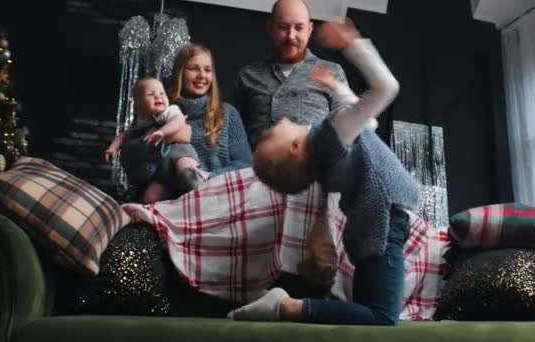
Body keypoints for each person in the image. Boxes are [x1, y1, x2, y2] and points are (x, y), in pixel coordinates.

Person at [228, 20, 419, 325]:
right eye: (266, 139)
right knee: (381, 317)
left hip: (375, 226)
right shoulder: (329, 137)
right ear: (293, 147)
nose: (267, 129)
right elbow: (387, 88)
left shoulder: (327, 147)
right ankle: (287, 307)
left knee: (373, 308)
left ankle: (288, 305)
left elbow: (365, 123)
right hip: (385, 223)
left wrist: (336, 87)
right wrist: (352, 43)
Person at [234, 0, 351, 148]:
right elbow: (237, 138)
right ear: (270, 28)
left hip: (316, 168)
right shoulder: (248, 75)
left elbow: (345, 132)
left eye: (299, 27)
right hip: (260, 168)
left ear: (309, 29)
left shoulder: (332, 72)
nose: (291, 36)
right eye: (283, 27)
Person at [104, 77, 203, 203]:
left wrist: (162, 131)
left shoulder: (169, 111)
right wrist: (112, 148)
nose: (158, 96)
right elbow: (125, 135)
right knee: (149, 199)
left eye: (162, 93)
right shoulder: (141, 120)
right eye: (151, 94)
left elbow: (179, 121)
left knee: (188, 175)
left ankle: (203, 194)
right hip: (162, 170)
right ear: (138, 104)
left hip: (179, 153)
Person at [168, 43, 252, 176]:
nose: (202, 75)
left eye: (207, 70)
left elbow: (244, 164)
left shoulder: (228, 113)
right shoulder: (163, 114)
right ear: (180, 72)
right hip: (175, 195)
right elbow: (141, 167)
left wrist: (206, 178)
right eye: (194, 69)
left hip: (217, 193)